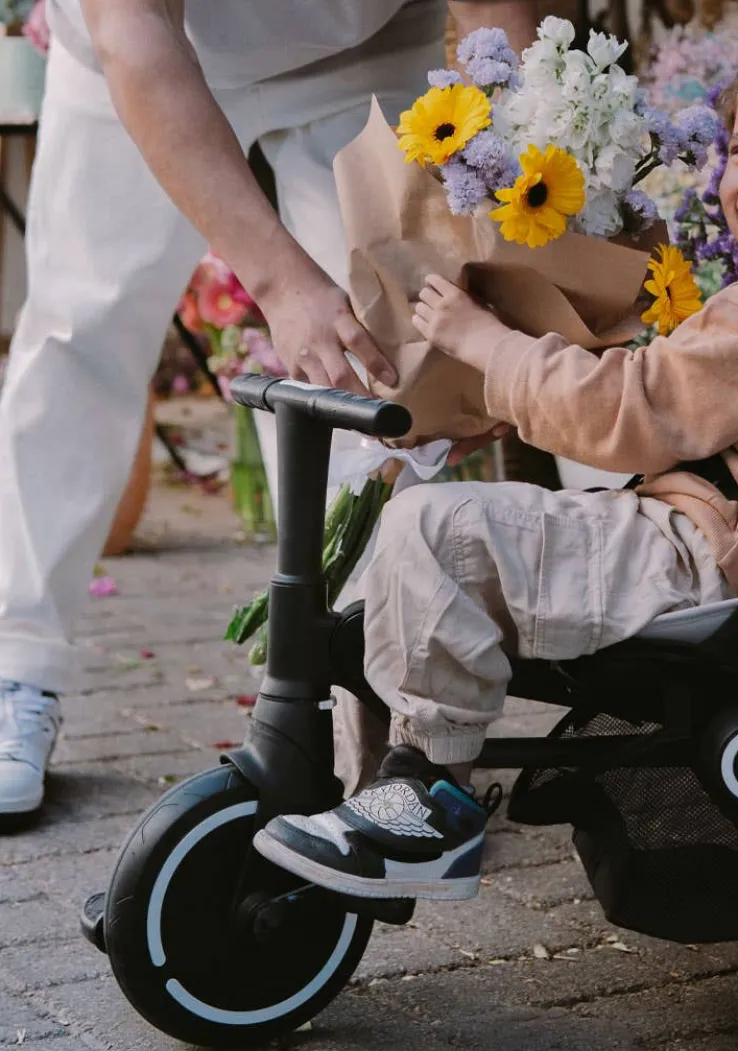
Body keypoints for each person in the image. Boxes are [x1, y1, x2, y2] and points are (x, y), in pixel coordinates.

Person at [253, 17, 738, 902]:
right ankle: (397, 790)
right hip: (725, 549)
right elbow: (670, 398)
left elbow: (634, 411)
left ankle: (428, 796)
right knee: (447, 544)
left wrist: (491, 348)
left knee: (437, 527)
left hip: (708, 564)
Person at [0, 0, 538, 824]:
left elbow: (498, 19)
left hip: (364, 49)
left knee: (388, 360)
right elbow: (137, 41)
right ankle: (16, 666)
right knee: (79, 333)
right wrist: (282, 282)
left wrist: (515, 227)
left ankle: (387, 707)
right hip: (138, 57)